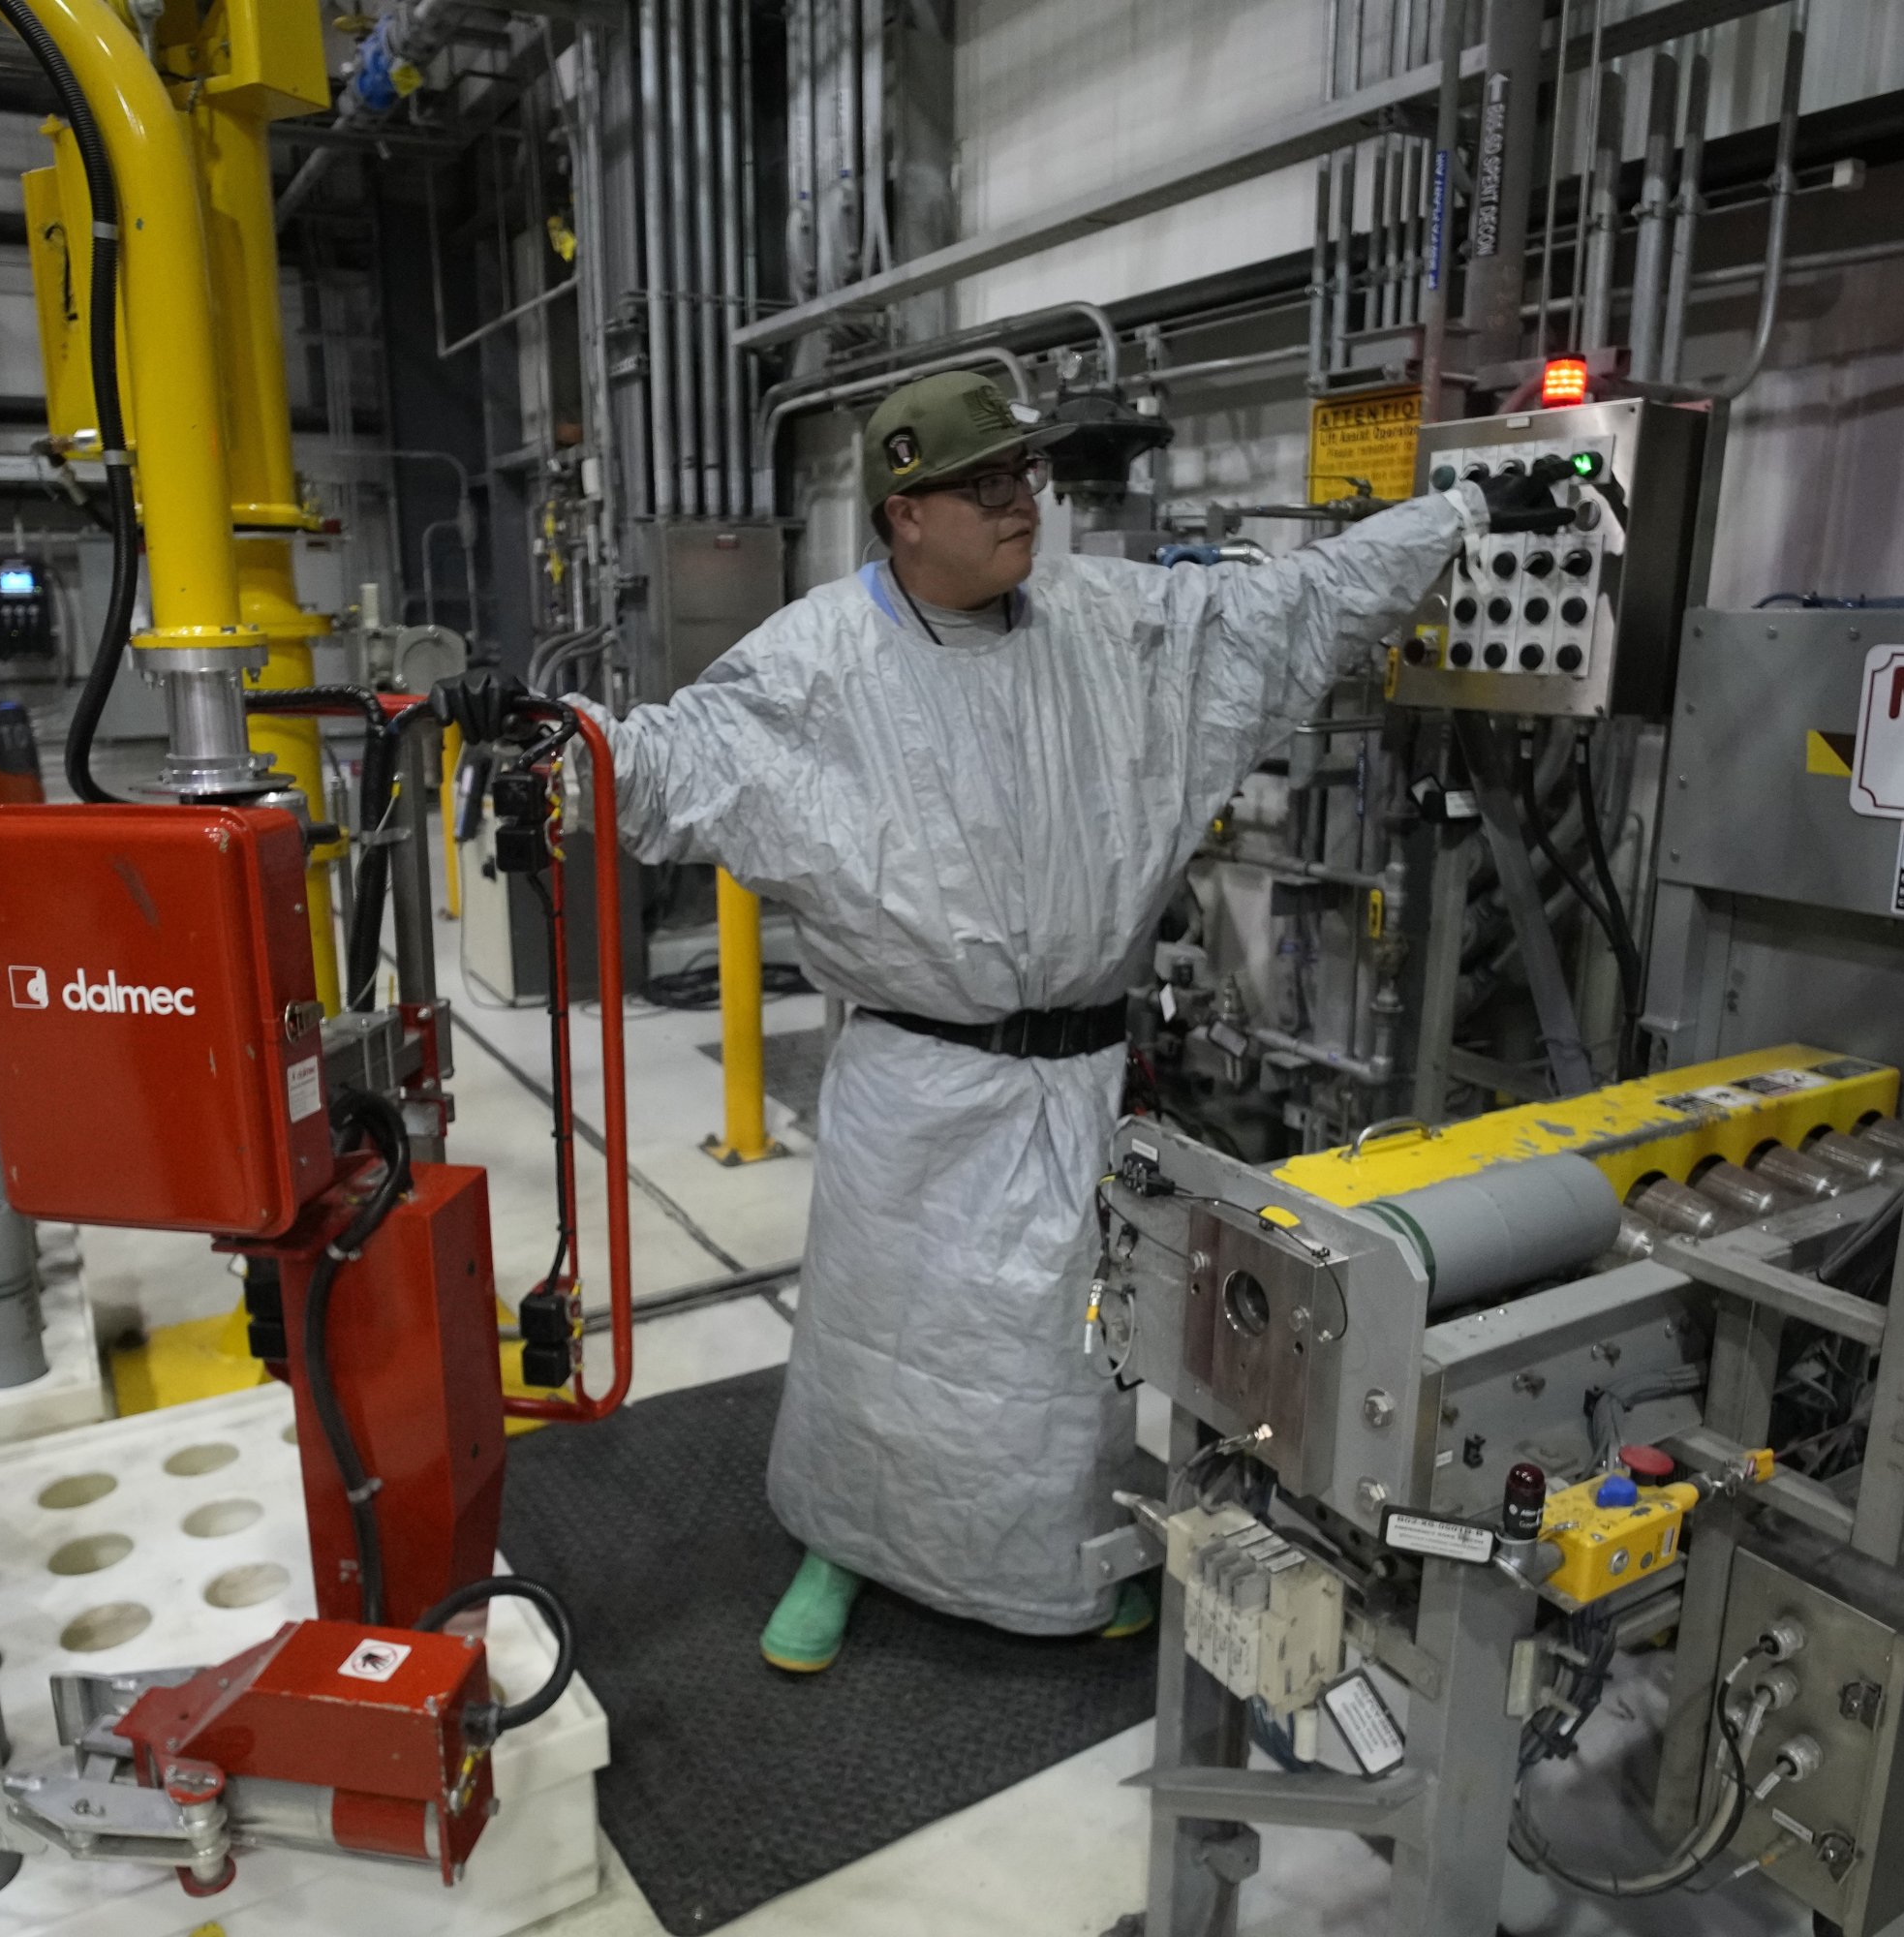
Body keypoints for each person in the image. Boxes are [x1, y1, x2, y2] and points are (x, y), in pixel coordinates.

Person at [586, 370, 1494, 1672]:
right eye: (989, 485)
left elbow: (1288, 612)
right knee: (878, 1351)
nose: (1025, 507)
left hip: (1075, 1087)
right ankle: (841, 1543)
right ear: (905, 511)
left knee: (1059, 1367)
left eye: (1029, 479)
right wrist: (566, 749)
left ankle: (1061, 1564)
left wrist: (1448, 514)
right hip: (917, 1093)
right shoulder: (816, 661)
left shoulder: (1108, 622)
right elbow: (678, 762)